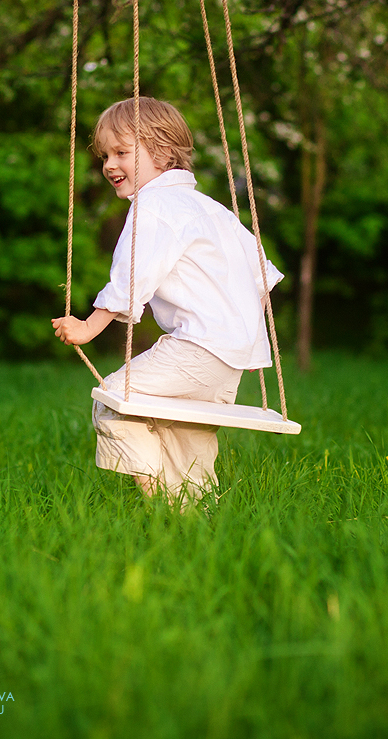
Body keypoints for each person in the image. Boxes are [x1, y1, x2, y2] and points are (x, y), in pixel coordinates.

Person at [52, 97, 282, 507]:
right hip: (235, 355)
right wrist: (235, 320)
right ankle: (194, 520)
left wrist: (88, 327)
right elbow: (262, 275)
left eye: (122, 152)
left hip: (198, 347)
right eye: (105, 154)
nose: (109, 164)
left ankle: (157, 495)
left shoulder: (154, 207)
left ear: (162, 152)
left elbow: (131, 275)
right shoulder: (211, 208)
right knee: (185, 430)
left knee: (114, 400)